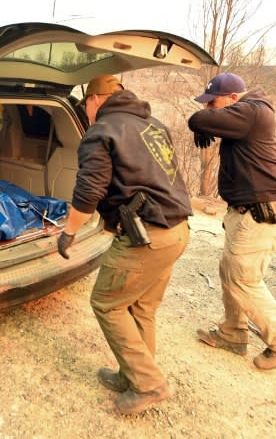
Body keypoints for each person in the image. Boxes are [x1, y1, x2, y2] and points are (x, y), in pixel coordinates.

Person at [58, 74, 193, 415]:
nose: (86, 110)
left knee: (106, 303)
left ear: (95, 100)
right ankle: (132, 375)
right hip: (176, 230)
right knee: (140, 307)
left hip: (146, 237)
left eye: (86, 104)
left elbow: (88, 191)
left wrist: (69, 232)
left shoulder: (101, 132)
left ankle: (149, 385)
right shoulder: (153, 124)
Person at [187, 72, 276, 370]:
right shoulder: (250, 113)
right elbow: (204, 121)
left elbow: (197, 121)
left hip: (259, 213)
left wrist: (204, 120)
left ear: (233, 98)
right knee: (230, 272)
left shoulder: (252, 110)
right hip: (250, 211)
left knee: (243, 279)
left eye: (214, 101)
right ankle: (232, 333)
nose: (210, 107)